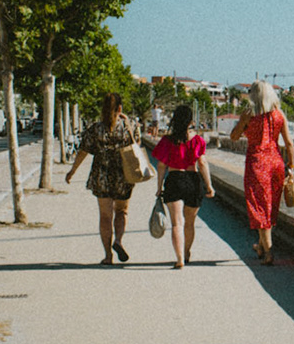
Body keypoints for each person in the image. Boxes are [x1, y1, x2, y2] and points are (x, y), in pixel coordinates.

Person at [64, 92, 143, 265]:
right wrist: (129, 123)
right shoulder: (128, 127)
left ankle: (108, 255)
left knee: (105, 216)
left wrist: (72, 171)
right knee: (122, 211)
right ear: (120, 108)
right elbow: (136, 146)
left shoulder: (95, 128)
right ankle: (118, 241)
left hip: (101, 175)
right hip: (123, 175)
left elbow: (83, 151)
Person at [230, 81, 294, 265]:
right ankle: (260, 245)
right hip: (276, 163)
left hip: (257, 163)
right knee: (270, 206)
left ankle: (268, 252)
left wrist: (242, 125)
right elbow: (289, 143)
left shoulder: (249, 114)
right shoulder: (279, 114)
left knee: (259, 206)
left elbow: (234, 137)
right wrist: (291, 165)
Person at [152, 104, 214, 268]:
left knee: (176, 223)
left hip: (174, 179)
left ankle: (179, 258)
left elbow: (160, 166)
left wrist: (159, 187)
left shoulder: (167, 140)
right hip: (192, 180)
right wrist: (209, 186)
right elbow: (202, 162)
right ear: (191, 121)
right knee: (189, 223)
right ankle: (186, 252)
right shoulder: (197, 140)